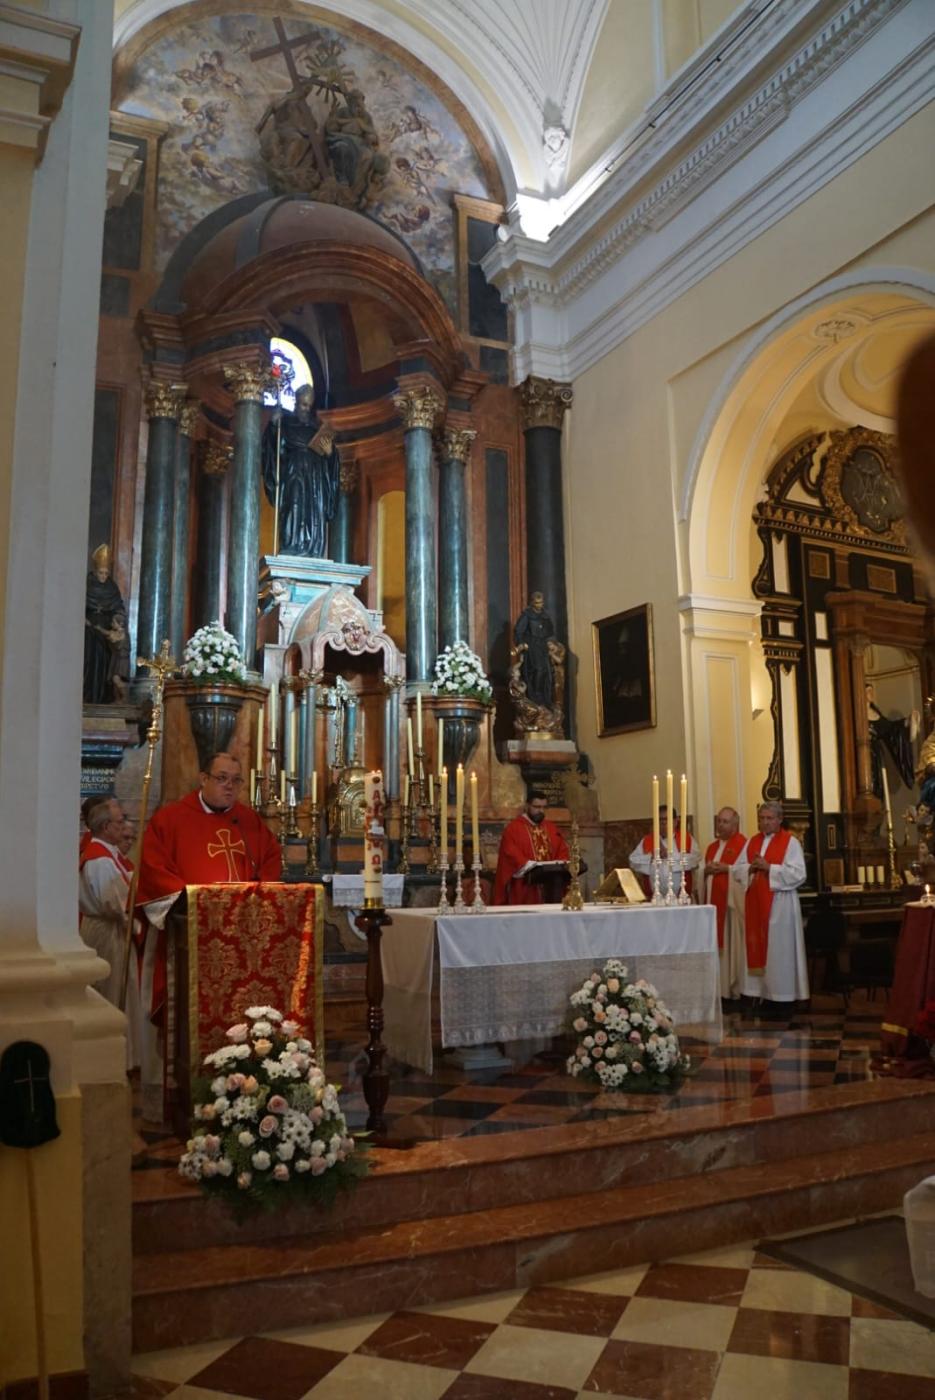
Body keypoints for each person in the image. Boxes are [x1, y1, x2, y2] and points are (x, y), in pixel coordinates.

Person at [135, 752, 281, 1117]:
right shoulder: (170, 820)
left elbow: (271, 861)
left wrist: (258, 897)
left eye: (236, 780)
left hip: (244, 942)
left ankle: (245, 1083)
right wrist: (191, 899)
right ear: (203, 778)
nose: (229, 787)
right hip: (189, 939)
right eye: (222, 778)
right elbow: (153, 870)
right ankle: (183, 1090)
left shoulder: (247, 821)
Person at [78, 798, 140, 1068]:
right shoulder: (100, 860)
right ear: (105, 827)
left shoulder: (106, 854)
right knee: (110, 992)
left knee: (118, 990)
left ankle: (122, 1058)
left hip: (110, 927)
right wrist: (137, 919)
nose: (123, 825)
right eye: (118, 821)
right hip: (106, 931)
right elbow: (116, 904)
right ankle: (110, 1061)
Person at [733, 801, 808, 1010]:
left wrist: (770, 868)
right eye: (761, 818)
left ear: (779, 820)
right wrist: (750, 868)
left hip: (780, 906)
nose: (764, 822)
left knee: (779, 952)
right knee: (757, 947)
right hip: (756, 903)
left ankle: (781, 998)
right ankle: (757, 994)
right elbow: (736, 869)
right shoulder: (752, 842)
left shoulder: (790, 842)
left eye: (769, 818)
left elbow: (799, 873)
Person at [261, 384, 340, 557]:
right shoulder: (286, 423)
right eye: (303, 405)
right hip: (293, 473)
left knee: (313, 511)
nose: (306, 409)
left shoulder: (316, 427)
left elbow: (332, 464)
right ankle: (292, 544)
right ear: (296, 403)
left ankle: (313, 547)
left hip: (315, 477)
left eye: (309, 406)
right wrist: (274, 425)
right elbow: (273, 449)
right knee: (294, 505)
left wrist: (330, 454)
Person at [493, 789, 569, 905]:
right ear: (527, 806)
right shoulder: (513, 829)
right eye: (537, 807)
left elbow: (562, 850)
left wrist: (562, 862)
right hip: (525, 886)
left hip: (551, 888)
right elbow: (510, 853)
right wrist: (530, 865)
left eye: (544, 808)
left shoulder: (551, 828)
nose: (541, 811)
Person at [703, 807, 747, 1001]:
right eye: (719, 821)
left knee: (731, 948)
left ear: (735, 824)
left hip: (731, 908)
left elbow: (744, 872)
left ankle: (733, 990)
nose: (721, 825)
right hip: (714, 908)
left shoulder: (742, 844)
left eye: (725, 821)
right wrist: (705, 872)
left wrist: (726, 869)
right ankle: (719, 993)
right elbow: (700, 876)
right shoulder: (711, 847)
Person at [83, 543, 129, 703]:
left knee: (104, 666)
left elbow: (119, 608)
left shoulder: (112, 587)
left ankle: (103, 698)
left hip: (105, 631)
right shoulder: (86, 584)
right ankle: (85, 697)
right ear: (95, 571)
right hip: (87, 631)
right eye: (101, 573)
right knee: (87, 663)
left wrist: (118, 621)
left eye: (106, 573)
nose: (103, 576)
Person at [629, 805, 699, 899]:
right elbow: (632, 861)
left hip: (680, 898)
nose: (663, 822)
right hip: (655, 899)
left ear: (675, 821)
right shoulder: (648, 840)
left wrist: (671, 855)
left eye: (667, 819)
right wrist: (651, 856)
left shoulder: (686, 839)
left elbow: (695, 859)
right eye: (660, 819)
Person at [513, 592, 558, 711]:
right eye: (537, 603)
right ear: (532, 602)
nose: (539, 605)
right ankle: (535, 697)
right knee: (537, 670)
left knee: (547, 673)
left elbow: (550, 633)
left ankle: (546, 699)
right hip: (531, 647)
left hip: (543, 647)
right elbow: (518, 631)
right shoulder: (527, 615)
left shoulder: (545, 616)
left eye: (541, 602)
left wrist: (551, 643)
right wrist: (522, 643)